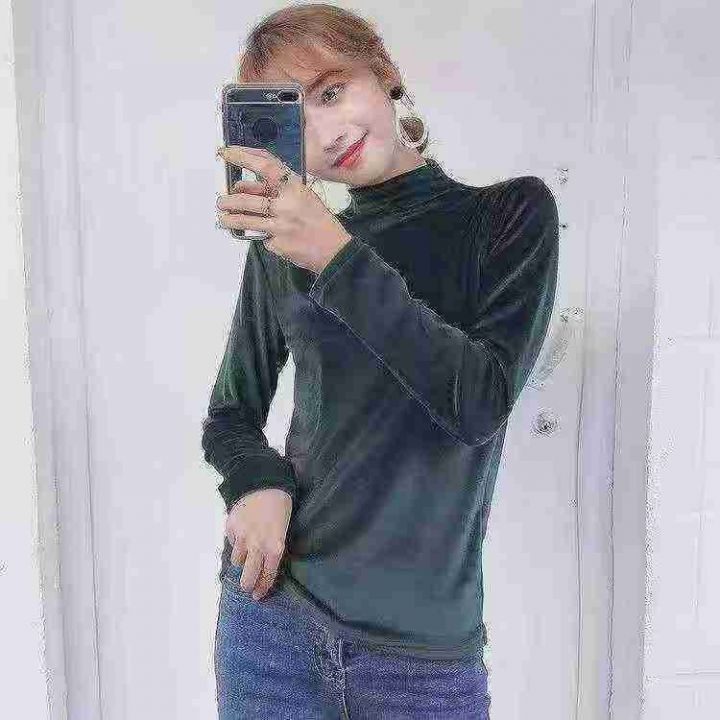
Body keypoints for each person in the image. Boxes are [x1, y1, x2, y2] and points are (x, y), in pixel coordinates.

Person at [202, 4, 559, 718]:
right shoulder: (284, 250)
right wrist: (257, 481)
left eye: (332, 92)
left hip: (423, 662)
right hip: (275, 624)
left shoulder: (508, 217)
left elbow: (477, 405)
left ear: (384, 73)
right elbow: (230, 415)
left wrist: (337, 256)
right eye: (297, 118)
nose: (328, 132)